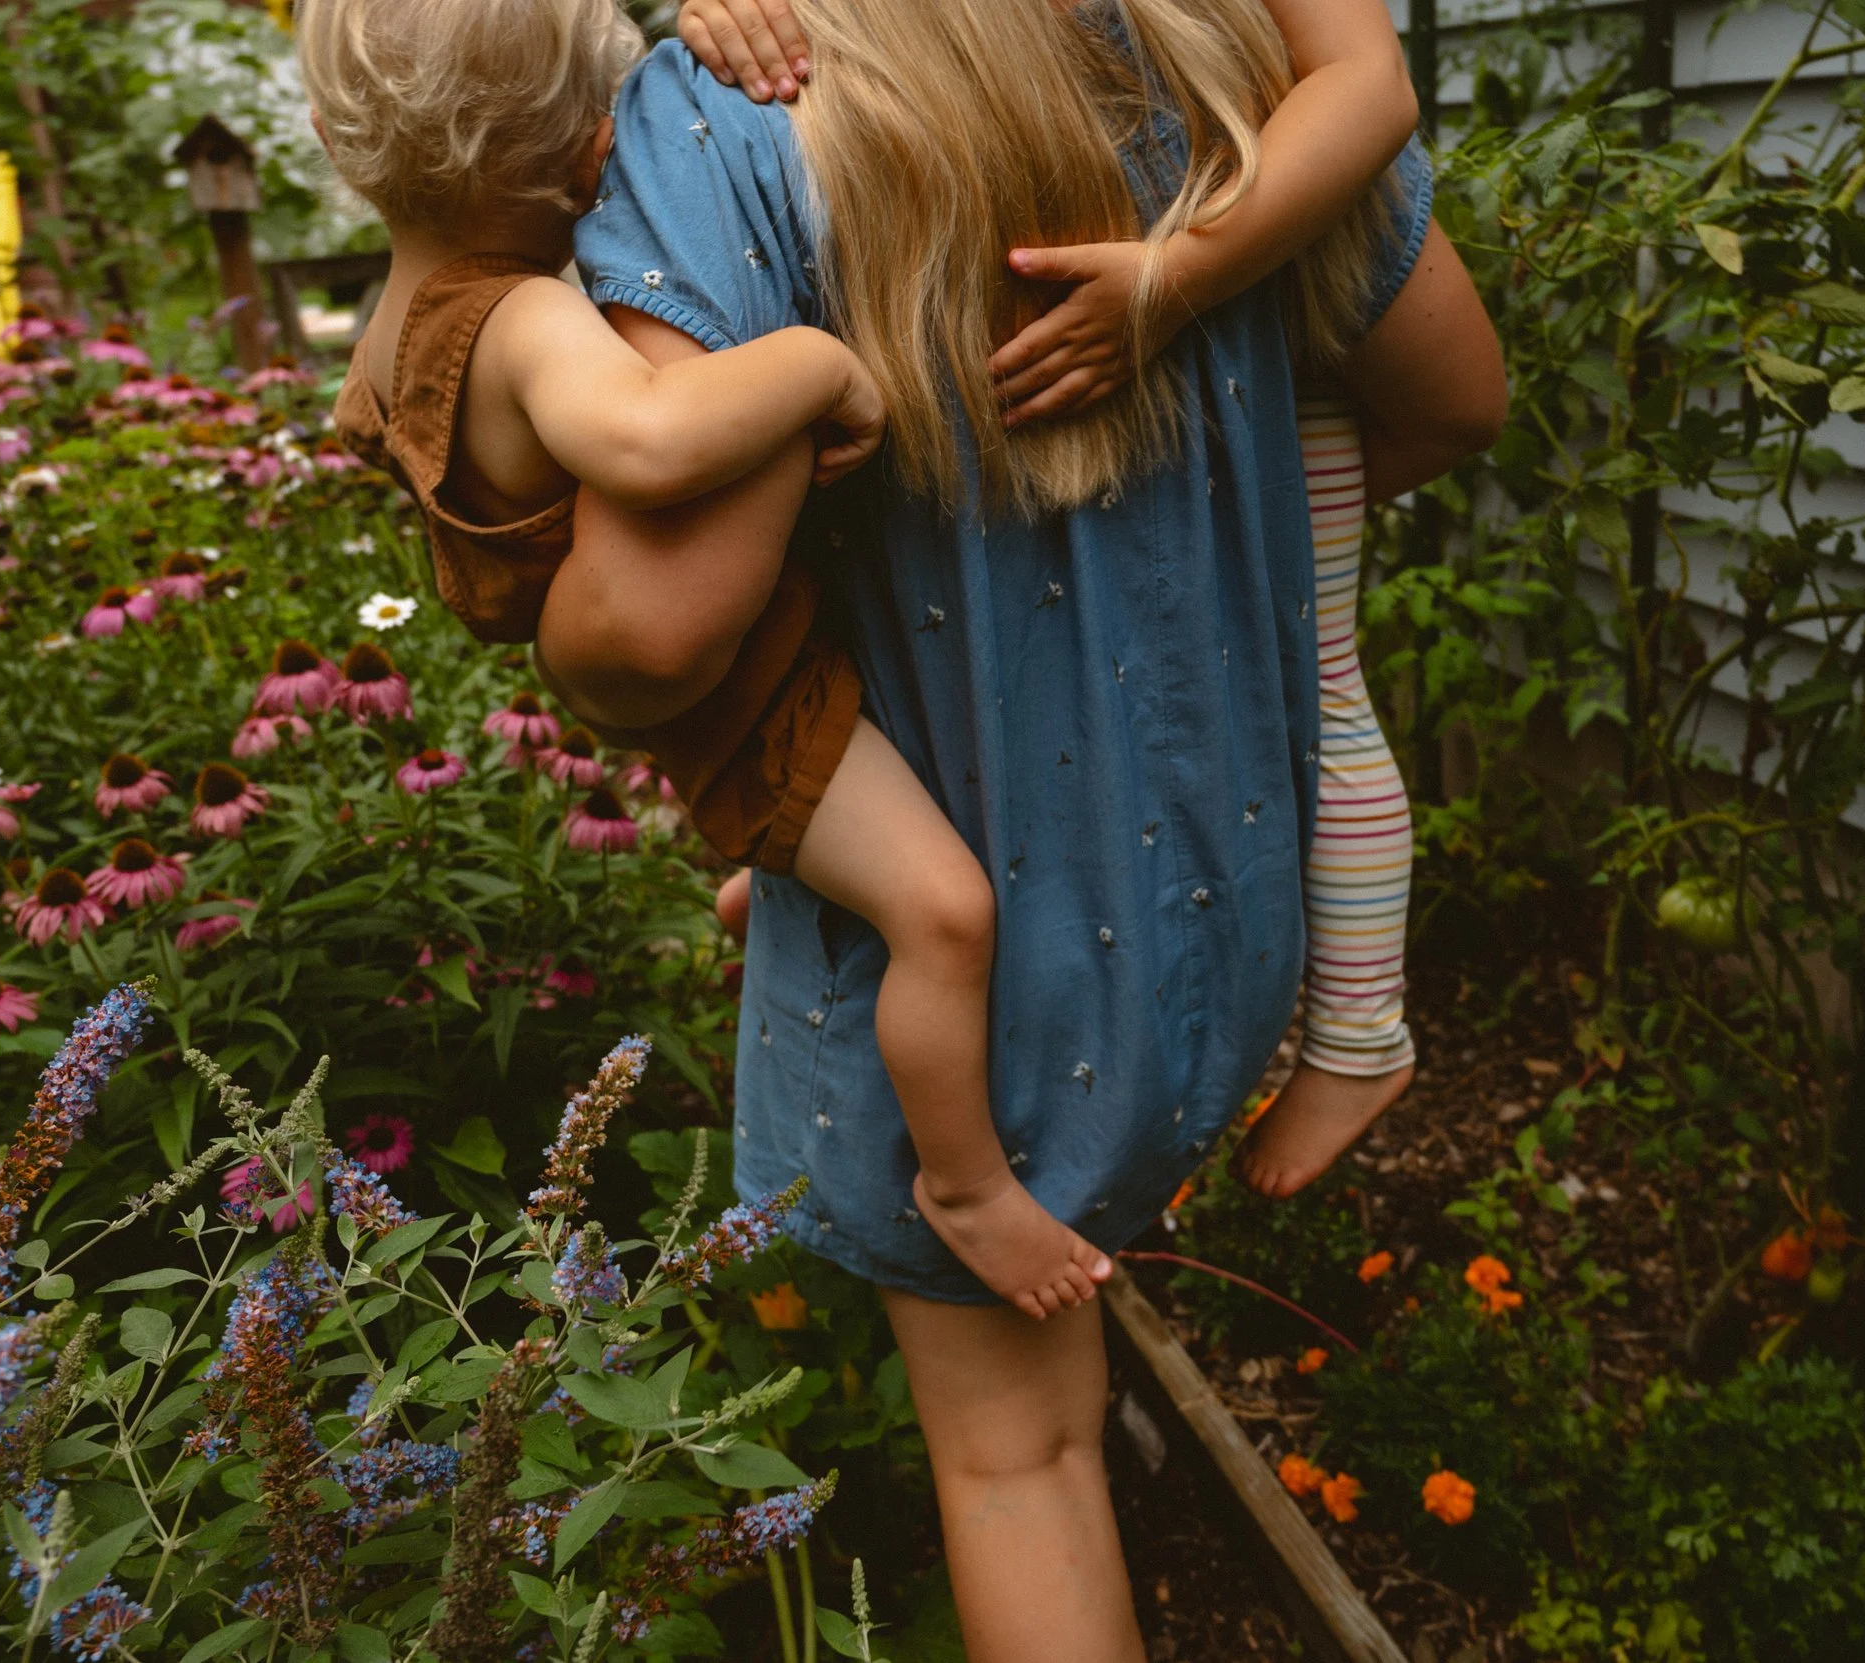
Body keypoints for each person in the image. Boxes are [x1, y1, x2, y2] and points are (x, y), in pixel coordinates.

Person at [537, 0, 1505, 1654]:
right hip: (1228, 899)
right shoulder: (1227, 53)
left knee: (1020, 1459)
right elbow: (1455, 397)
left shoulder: (731, 115)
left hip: (972, 976)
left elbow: (659, 629)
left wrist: (540, 613)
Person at [299, 0, 1119, 1318]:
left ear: (342, 140)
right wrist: (818, 364)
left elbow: (377, 430)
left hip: (685, 691)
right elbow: (649, 439)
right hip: (751, 700)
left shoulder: (390, 325)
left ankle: (772, 884)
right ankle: (965, 1184)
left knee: (844, 833)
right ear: (581, 150)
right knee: (945, 914)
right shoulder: (519, 319)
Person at [678, 0, 1504, 1197]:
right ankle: (846, 877)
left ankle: (1360, 1034)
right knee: (1004, 636)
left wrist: (1177, 281)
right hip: (1216, 255)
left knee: (1311, 682)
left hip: (1270, 275)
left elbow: (1370, 84)